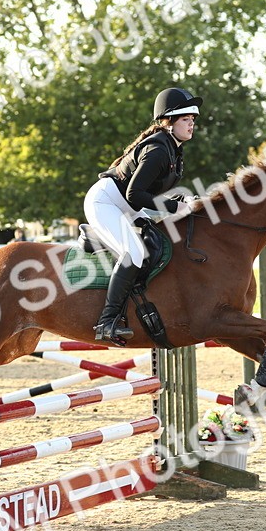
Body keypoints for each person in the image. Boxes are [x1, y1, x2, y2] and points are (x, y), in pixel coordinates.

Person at [84, 87, 200, 342]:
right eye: (185, 120)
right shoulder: (159, 150)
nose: (192, 125)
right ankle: (107, 321)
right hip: (106, 203)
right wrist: (172, 207)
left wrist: (183, 201)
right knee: (134, 253)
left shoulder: (173, 150)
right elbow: (135, 195)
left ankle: (99, 240)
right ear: (168, 122)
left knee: (155, 242)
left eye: (193, 120)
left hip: (125, 207)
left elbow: (149, 194)